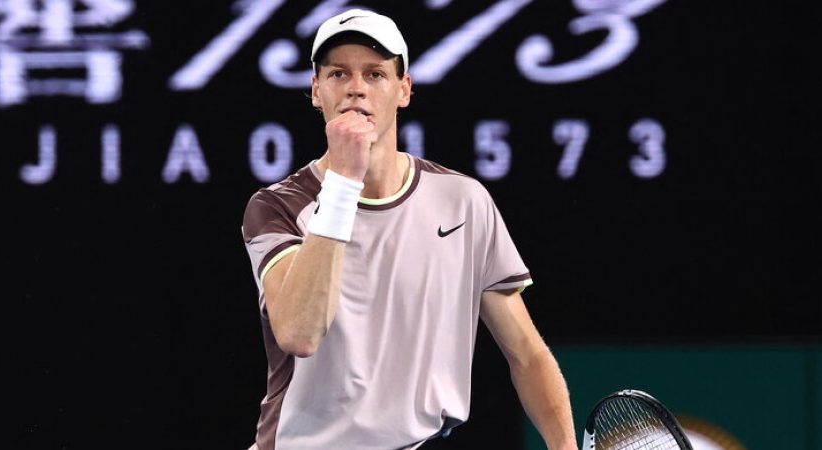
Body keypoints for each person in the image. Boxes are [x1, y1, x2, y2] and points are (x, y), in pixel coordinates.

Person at [241, 8, 577, 450]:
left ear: (404, 90)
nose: (356, 87)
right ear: (316, 90)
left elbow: (527, 354)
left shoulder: (463, 201)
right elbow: (299, 334)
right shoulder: (277, 207)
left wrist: (565, 447)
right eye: (339, 73)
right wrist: (343, 181)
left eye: (375, 74)